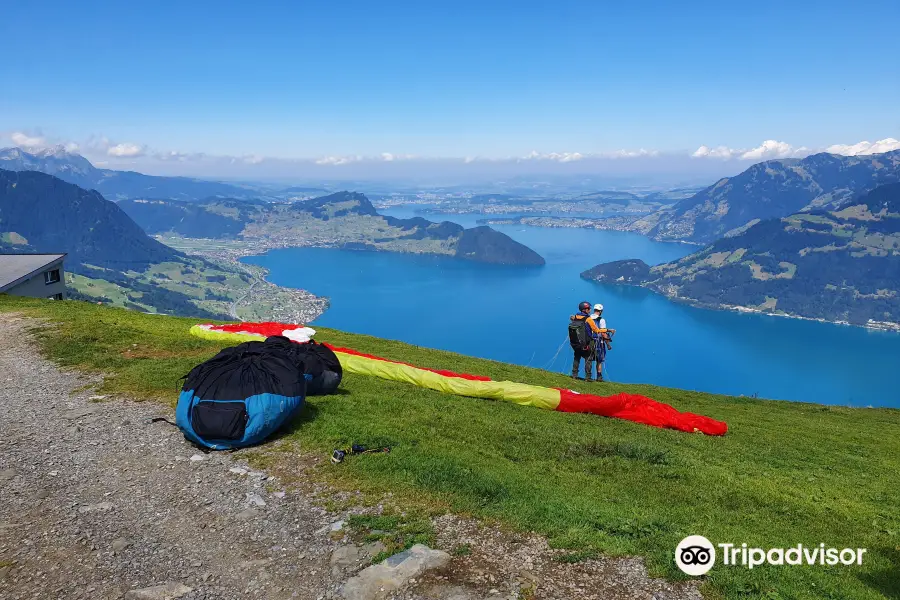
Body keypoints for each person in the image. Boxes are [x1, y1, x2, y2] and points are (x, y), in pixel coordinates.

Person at [570, 301, 605, 381]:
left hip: (576, 342)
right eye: (589, 308)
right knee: (588, 359)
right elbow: (596, 330)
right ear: (585, 309)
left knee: (577, 358)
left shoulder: (576, 316)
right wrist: (607, 330)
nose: (590, 310)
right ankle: (588, 377)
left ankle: (574, 374)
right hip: (586, 342)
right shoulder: (588, 319)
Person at [590, 304, 615, 381]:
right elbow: (603, 333)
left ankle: (588, 375)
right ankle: (599, 376)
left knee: (589, 358)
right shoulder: (601, 320)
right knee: (599, 360)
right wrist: (608, 344)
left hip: (589, 341)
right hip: (599, 342)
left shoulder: (588, 318)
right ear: (601, 311)